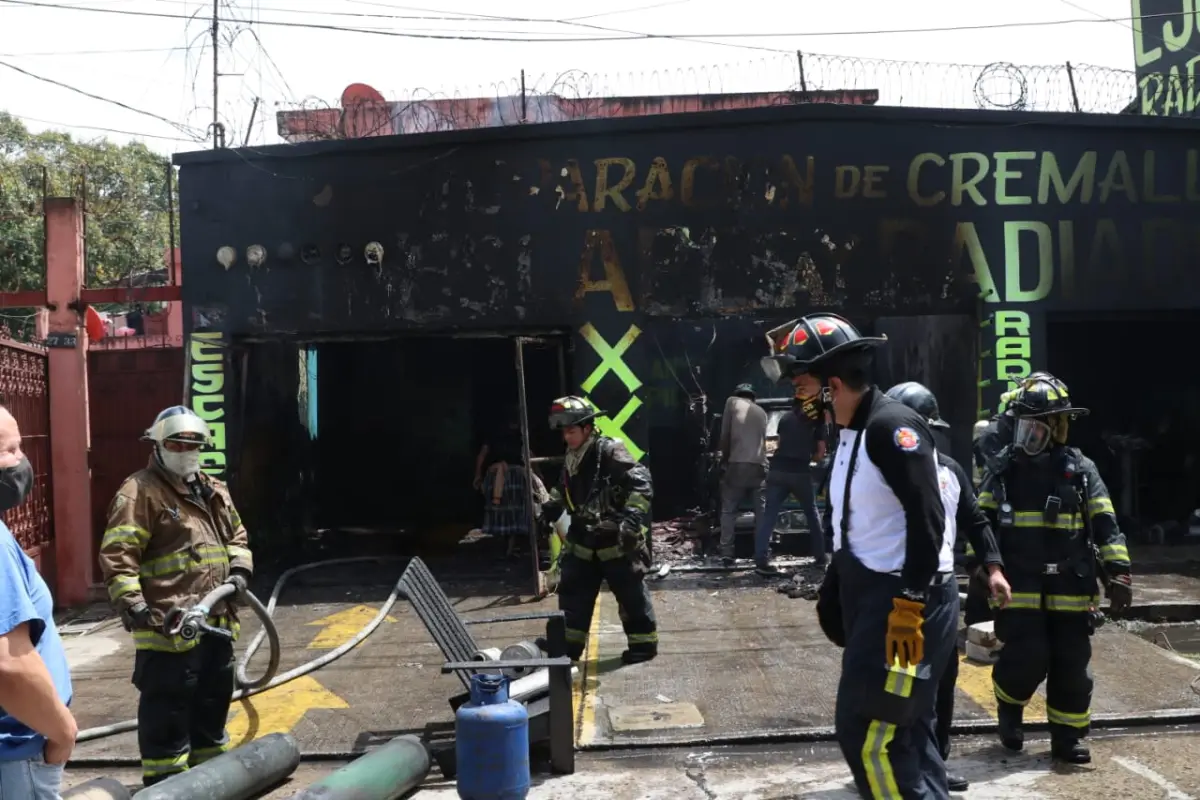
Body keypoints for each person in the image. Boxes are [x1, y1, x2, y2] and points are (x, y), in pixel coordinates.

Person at [765, 313, 957, 799]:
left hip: (904, 608)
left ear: (831, 384)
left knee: (871, 733)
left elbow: (928, 520)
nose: (798, 394)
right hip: (872, 600)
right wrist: (838, 585)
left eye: (802, 382)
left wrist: (909, 605)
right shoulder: (847, 431)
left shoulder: (891, 428)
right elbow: (857, 525)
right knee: (908, 732)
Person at [978, 373, 1132, 764]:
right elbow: (979, 525)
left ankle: (1067, 738)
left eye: (1056, 422)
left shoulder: (1080, 469)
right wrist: (982, 569)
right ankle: (1009, 705)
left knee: (1071, 666)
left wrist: (1118, 572)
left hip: (1072, 586)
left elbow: (1105, 523)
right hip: (1020, 587)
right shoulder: (1003, 469)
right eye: (1043, 422)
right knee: (1026, 657)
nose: (1050, 430)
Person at [98, 405, 254, 787]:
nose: (187, 450)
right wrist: (134, 605)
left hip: (216, 620)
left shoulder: (213, 488)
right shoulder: (139, 491)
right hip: (167, 625)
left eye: (194, 443)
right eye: (177, 443)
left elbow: (237, 535)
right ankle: (167, 785)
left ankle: (210, 781)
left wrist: (238, 572)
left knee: (213, 700)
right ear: (157, 445)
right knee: (168, 707)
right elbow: (119, 555)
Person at [886, 382, 1012, 793]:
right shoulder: (880, 474)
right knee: (901, 681)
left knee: (942, 678)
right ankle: (898, 764)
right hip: (899, 590)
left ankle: (934, 763)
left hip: (940, 591)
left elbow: (976, 521)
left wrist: (993, 568)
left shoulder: (950, 471)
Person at [540, 396, 658, 664]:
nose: (567, 438)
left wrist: (630, 521)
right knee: (573, 596)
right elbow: (564, 486)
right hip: (583, 540)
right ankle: (568, 649)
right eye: (564, 432)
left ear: (587, 428)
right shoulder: (573, 456)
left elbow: (642, 484)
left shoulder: (610, 451)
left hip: (615, 540)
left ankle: (643, 646)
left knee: (631, 596)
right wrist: (551, 505)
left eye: (571, 431)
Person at [0, 404, 75, 799]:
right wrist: (62, 731)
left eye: (20, 448)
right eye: (8, 451)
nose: (20, 462)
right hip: (17, 752)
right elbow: (8, 664)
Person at [757, 389, 827, 575]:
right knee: (812, 515)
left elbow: (778, 444)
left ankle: (761, 560)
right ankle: (820, 558)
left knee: (769, 515)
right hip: (800, 472)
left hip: (778, 470)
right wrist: (811, 456)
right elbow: (820, 453)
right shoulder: (816, 421)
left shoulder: (785, 418)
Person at [717, 384, 768, 566]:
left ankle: (727, 553)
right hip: (760, 466)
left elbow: (725, 434)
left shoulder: (732, 402)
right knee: (761, 511)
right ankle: (762, 553)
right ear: (752, 398)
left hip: (737, 464)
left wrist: (722, 459)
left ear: (737, 395)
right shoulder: (762, 412)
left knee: (729, 509)